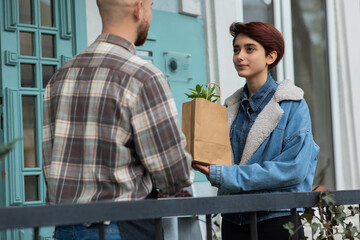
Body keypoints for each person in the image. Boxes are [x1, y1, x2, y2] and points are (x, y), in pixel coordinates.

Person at [42, 0, 193, 239]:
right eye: (151, 6)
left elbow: (52, 159)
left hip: (65, 228)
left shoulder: (60, 76)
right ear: (138, 8)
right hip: (120, 226)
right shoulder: (143, 76)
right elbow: (174, 172)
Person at [193, 21, 319, 240]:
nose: (239, 56)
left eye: (249, 49)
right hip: (233, 221)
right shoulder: (230, 107)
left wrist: (224, 175)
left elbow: (293, 169)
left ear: (271, 56)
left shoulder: (292, 104)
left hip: (277, 219)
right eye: (236, 49)